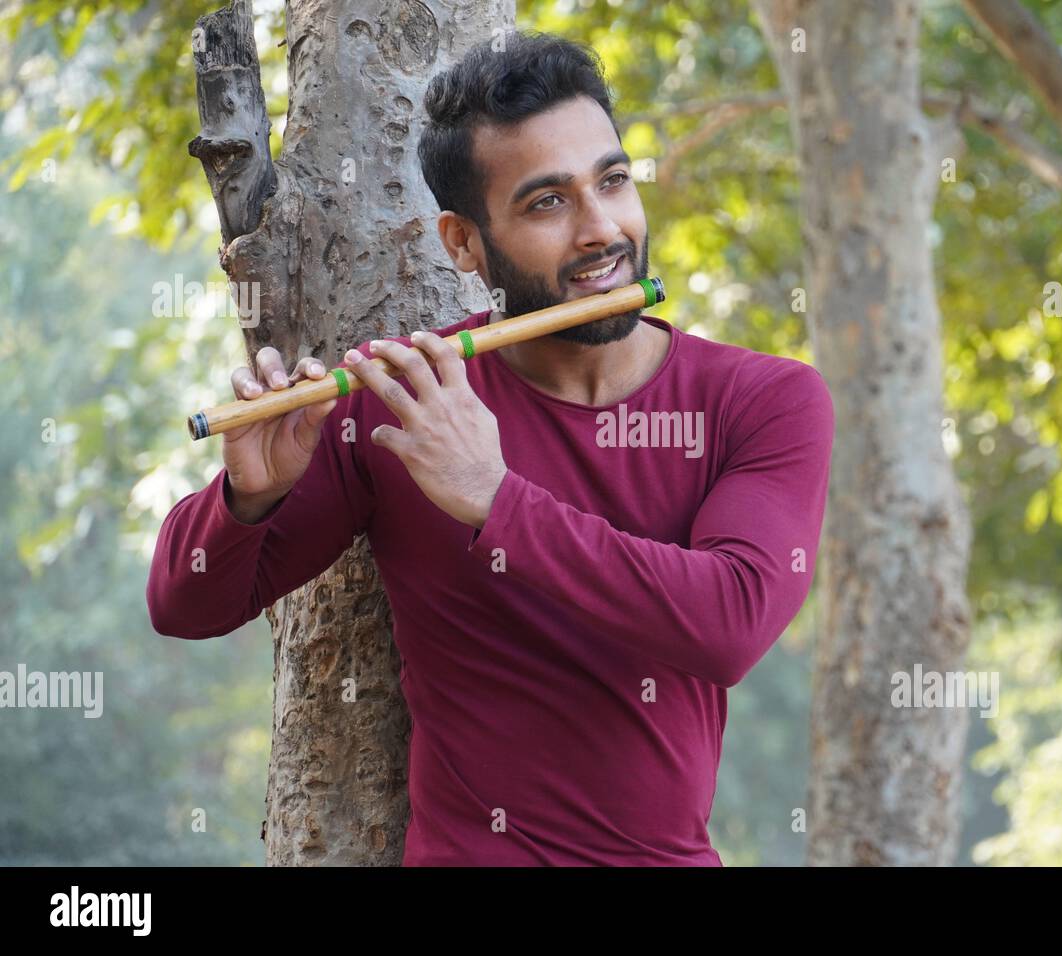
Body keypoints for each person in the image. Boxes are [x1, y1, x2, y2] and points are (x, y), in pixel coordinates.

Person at [147, 31, 834, 866]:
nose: (600, 231)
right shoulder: (407, 403)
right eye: (547, 203)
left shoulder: (762, 400)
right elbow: (183, 606)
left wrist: (494, 498)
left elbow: (730, 624)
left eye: (612, 183)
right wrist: (246, 498)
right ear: (464, 244)